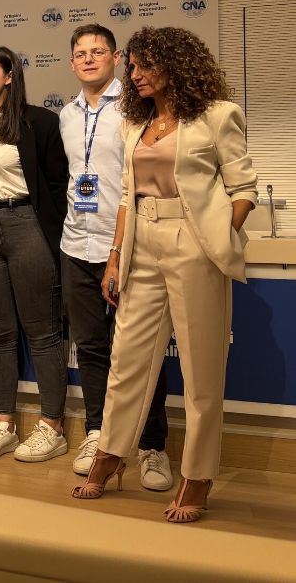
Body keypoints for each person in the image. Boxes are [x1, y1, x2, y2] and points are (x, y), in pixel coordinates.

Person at [73, 26, 257, 524]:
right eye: (132, 66)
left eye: (144, 65)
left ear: (175, 63)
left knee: (201, 372)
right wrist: (115, 256)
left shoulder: (217, 115)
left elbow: (243, 188)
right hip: (142, 244)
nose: (134, 74)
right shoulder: (137, 123)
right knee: (126, 360)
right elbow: (127, 196)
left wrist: (217, 237)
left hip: (194, 244)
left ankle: (197, 475)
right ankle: (112, 454)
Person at [59, 25, 171, 490]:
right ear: (72, 62)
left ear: (116, 57)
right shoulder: (66, 115)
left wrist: (120, 249)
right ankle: (97, 434)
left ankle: (151, 446)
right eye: (81, 53)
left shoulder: (136, 109)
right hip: (75, 246)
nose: (89, 59)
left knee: (140, 352)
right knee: (90, 349)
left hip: (128, 247)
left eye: (98, 51)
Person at [0, 46, 69, 462]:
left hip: (26, 223)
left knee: (42, 331)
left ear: (9, 77)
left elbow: (57, 185)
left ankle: (52, 427)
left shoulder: (39, 121)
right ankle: (3, 424)